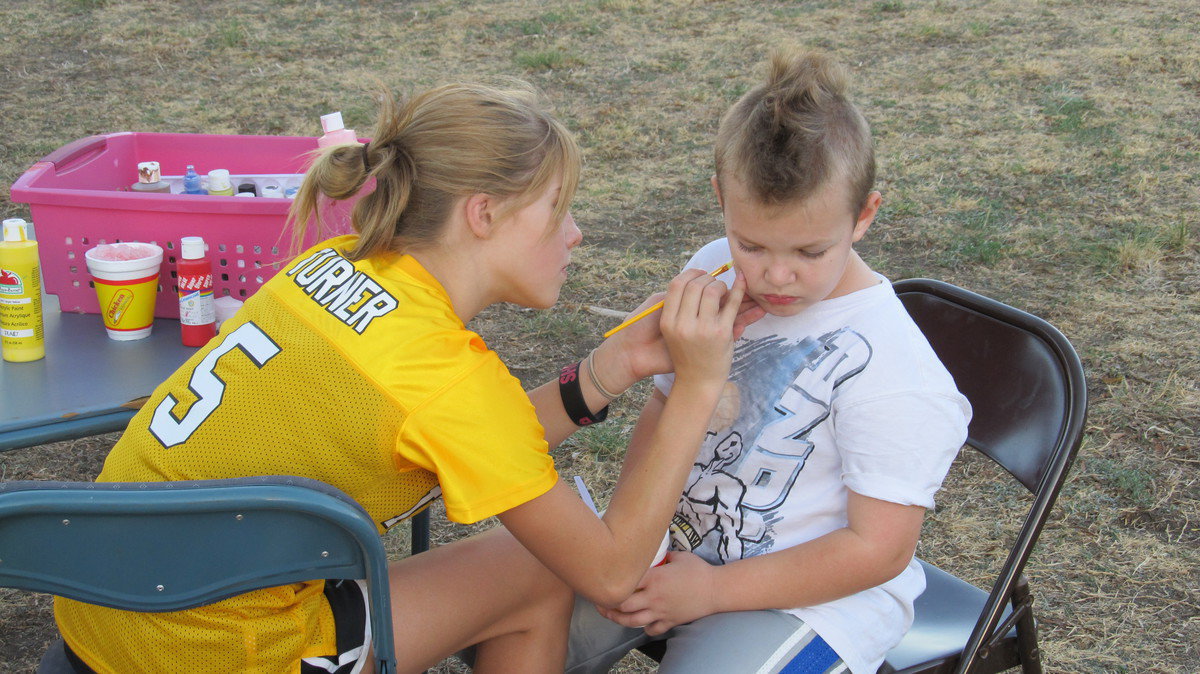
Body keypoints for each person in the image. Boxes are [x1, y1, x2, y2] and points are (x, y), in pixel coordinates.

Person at [51, 82, 759, 674]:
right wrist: (696, 388)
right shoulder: (444, 377)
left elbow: (465, 434)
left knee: (519, 568)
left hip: (103, 601)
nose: (575, 232)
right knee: (543, 573)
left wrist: (614, 368)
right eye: (557, 208)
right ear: (483, 214)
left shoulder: (328, 264)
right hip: (204, 651)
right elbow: (607, 571)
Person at [566, 49, 972, 674]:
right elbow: (665, 404)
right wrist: (628, 541)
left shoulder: (895, 372)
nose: (776, 275)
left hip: (816, 604)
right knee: (514, 618)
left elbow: (878, 551)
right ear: (721, 199)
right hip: (673, 557)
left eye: (811, 250)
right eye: (751, 243)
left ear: (864, 215)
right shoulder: (713, 271)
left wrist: (712, 592)